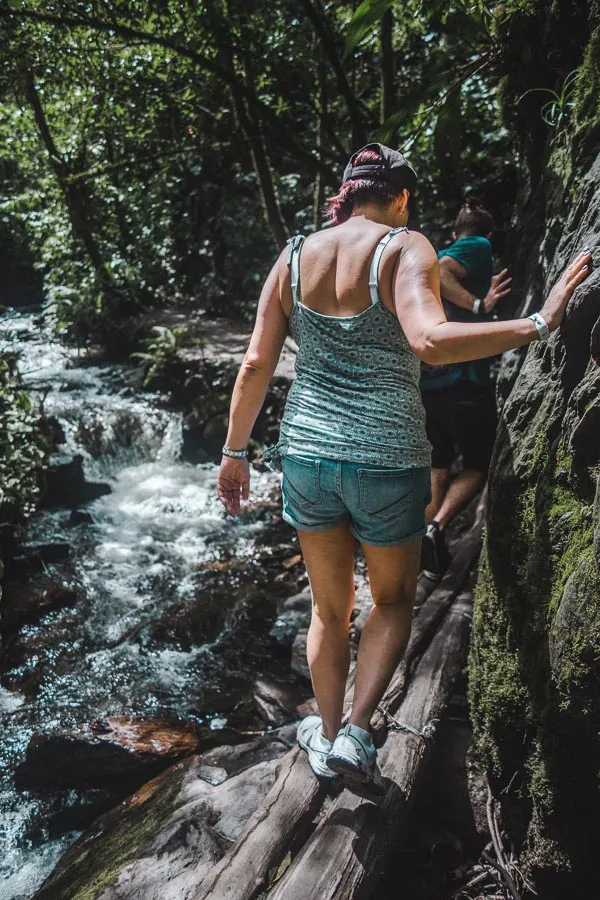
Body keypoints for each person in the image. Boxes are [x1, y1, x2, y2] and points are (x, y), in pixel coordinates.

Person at [216, 142, 591, 794]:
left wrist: (233, 453)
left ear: (345, 192)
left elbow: (254, 364)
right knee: (391, 600)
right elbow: (429, 341)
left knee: (329, 613)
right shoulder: (404, 245)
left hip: (306, 455)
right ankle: (358, 736)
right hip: (387, 460)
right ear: (401, 197)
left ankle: (326, 734)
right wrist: (538, 321)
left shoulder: (297, 254)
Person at [419, 201, 512, 579]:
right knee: (478, 463)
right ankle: (437, 526)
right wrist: (480, 303)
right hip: (464, 383)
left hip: (431, 383)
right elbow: (443, 271)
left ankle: (423, 556)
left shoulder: (438, 253)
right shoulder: (477, 247)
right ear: (486, 235)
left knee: (438, 466)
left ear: (455, 232)